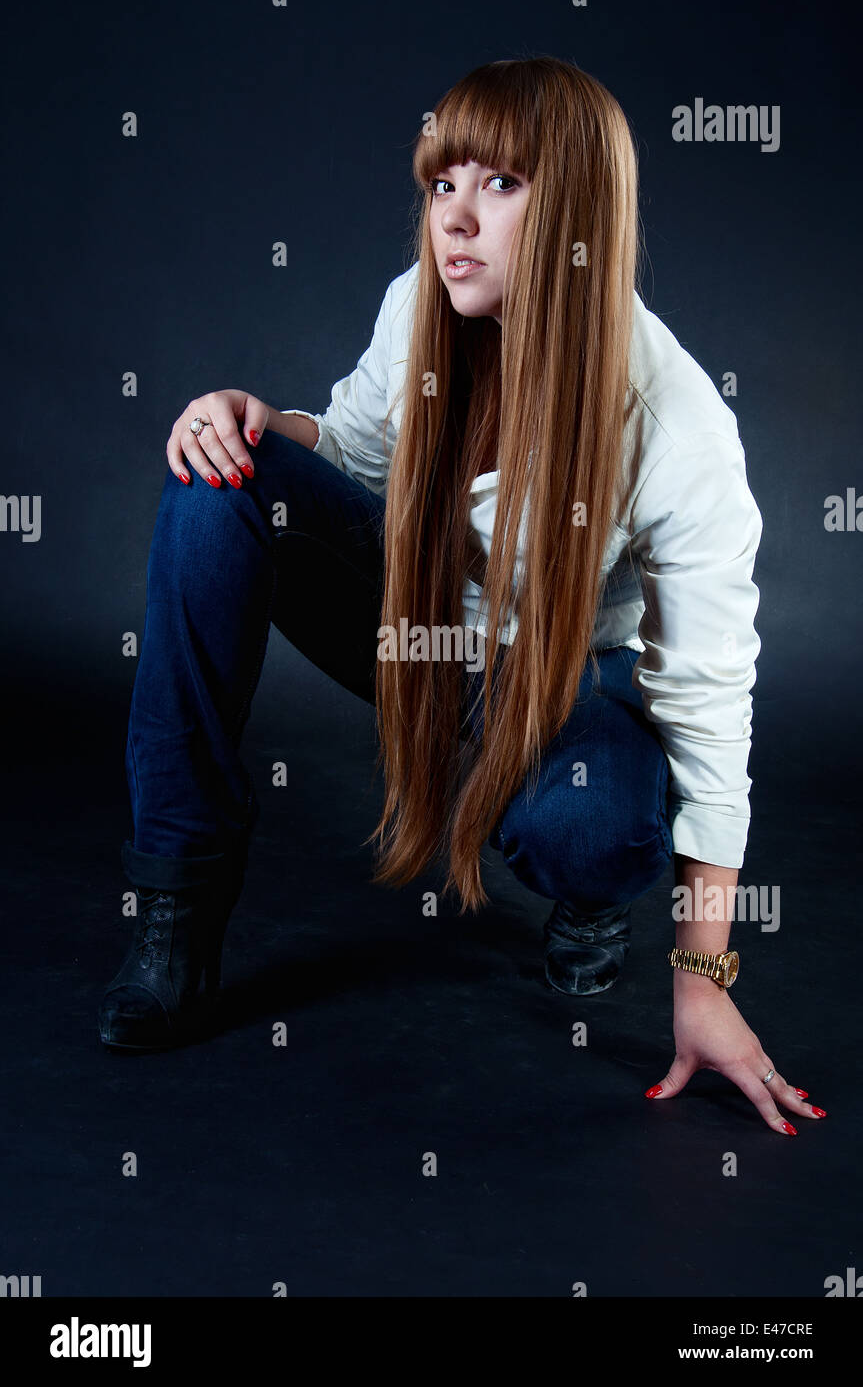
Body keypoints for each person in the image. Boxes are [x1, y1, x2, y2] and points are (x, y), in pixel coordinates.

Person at [99, 55, 826, 1136]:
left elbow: (712, 714)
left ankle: (587, 896)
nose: (456, 220)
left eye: (500, 185)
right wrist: (259, 421)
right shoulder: (420, 305)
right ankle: (174, 905)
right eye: (443, 185)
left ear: (577, 203)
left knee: (589, 819)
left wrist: (701, 977)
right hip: (420, 634)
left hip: (561, 686)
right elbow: (348, 453)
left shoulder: (675, 423)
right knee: (219, 482)